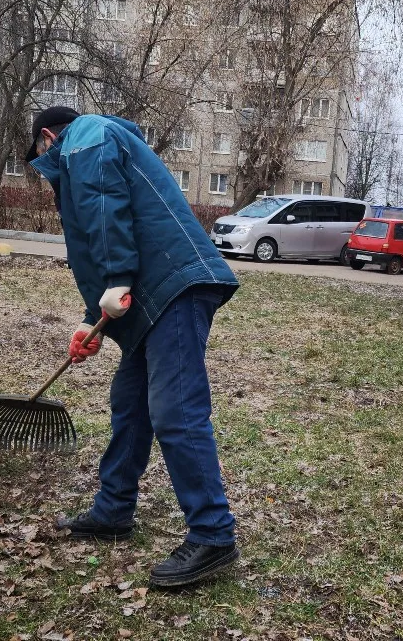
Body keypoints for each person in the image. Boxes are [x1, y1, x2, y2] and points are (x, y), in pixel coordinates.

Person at [25, 106, 241, 587]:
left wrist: (118, 278)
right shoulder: (96, 141)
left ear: (46, 138)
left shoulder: (86, 137)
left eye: (41, 157)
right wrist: (91, 325)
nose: (45, 170)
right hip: (154, 294)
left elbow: (105, 209)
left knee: (175, 411)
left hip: (175, 287)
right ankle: (113, 511)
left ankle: (214, 535)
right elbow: (100, 243)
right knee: (130, 403)